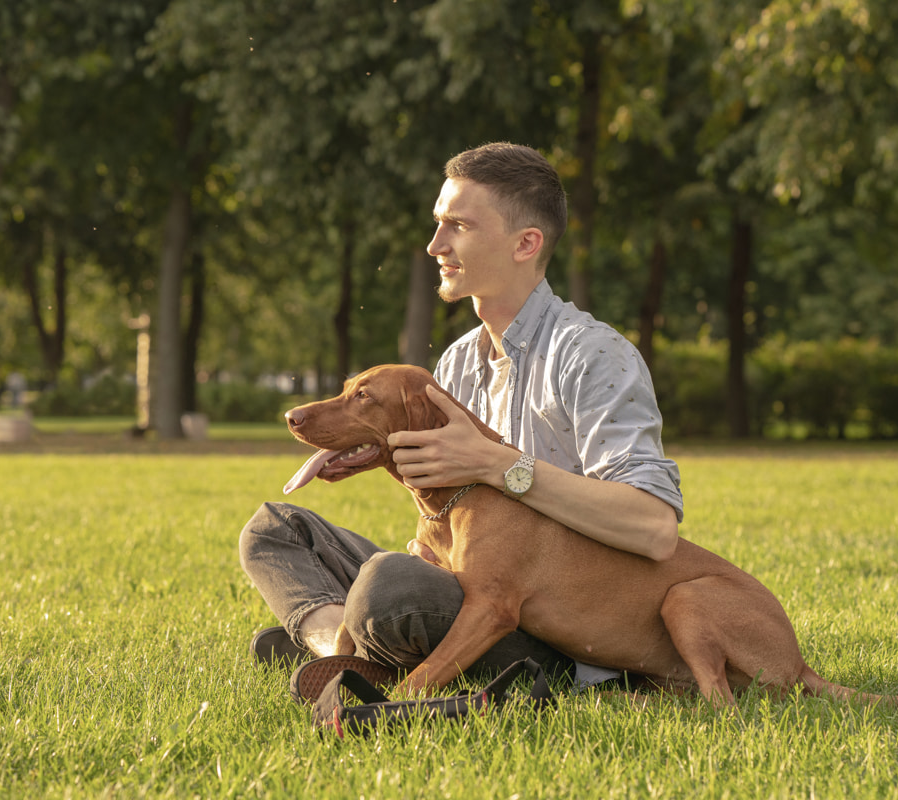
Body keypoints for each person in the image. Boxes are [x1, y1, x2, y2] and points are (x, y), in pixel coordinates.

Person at [240, 142, 683, 687]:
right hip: (468, 583)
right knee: (277, 530)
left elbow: (655, 526)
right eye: (436, 224)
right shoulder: (456, 363)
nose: (434, 245)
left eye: (458, 226)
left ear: (526, 244)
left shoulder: (592, 354)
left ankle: (357, 642)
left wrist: (501, 465)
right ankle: (342, 643)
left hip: (554, 625)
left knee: (389, 588)